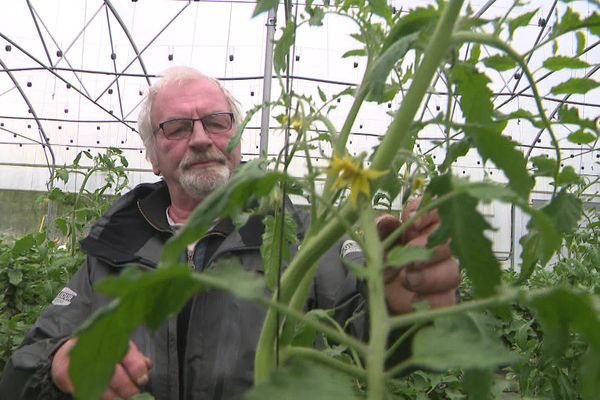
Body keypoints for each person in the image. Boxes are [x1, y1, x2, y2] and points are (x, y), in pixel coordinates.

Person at [0, 66, 460, 400]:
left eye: (217, 123)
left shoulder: (300, 235)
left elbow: (379, 338)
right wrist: (61, 364)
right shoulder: (114, 248)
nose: (201, 138)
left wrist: (404, 305)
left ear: (238, 141)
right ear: (154, 157)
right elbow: (22, 370)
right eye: (177, 128)